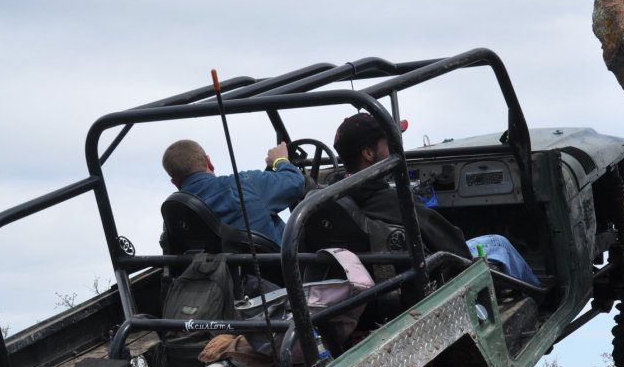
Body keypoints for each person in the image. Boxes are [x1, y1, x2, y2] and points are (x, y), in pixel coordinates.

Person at [332, 114, 541, 286]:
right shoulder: (394, 200)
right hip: (434, 276)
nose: (396, 149)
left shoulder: (332, 198)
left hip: (382, 282)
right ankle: (539, 298)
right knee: (500, 244)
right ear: (369, 153)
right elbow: (453, 244)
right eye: (389, 143)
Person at [162, 139, 304, 245]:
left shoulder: (173, 218)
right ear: (209, 162)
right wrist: (280, 160)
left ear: (174, 183)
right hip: (275, 280)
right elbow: (295, 181)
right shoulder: (245, 184)